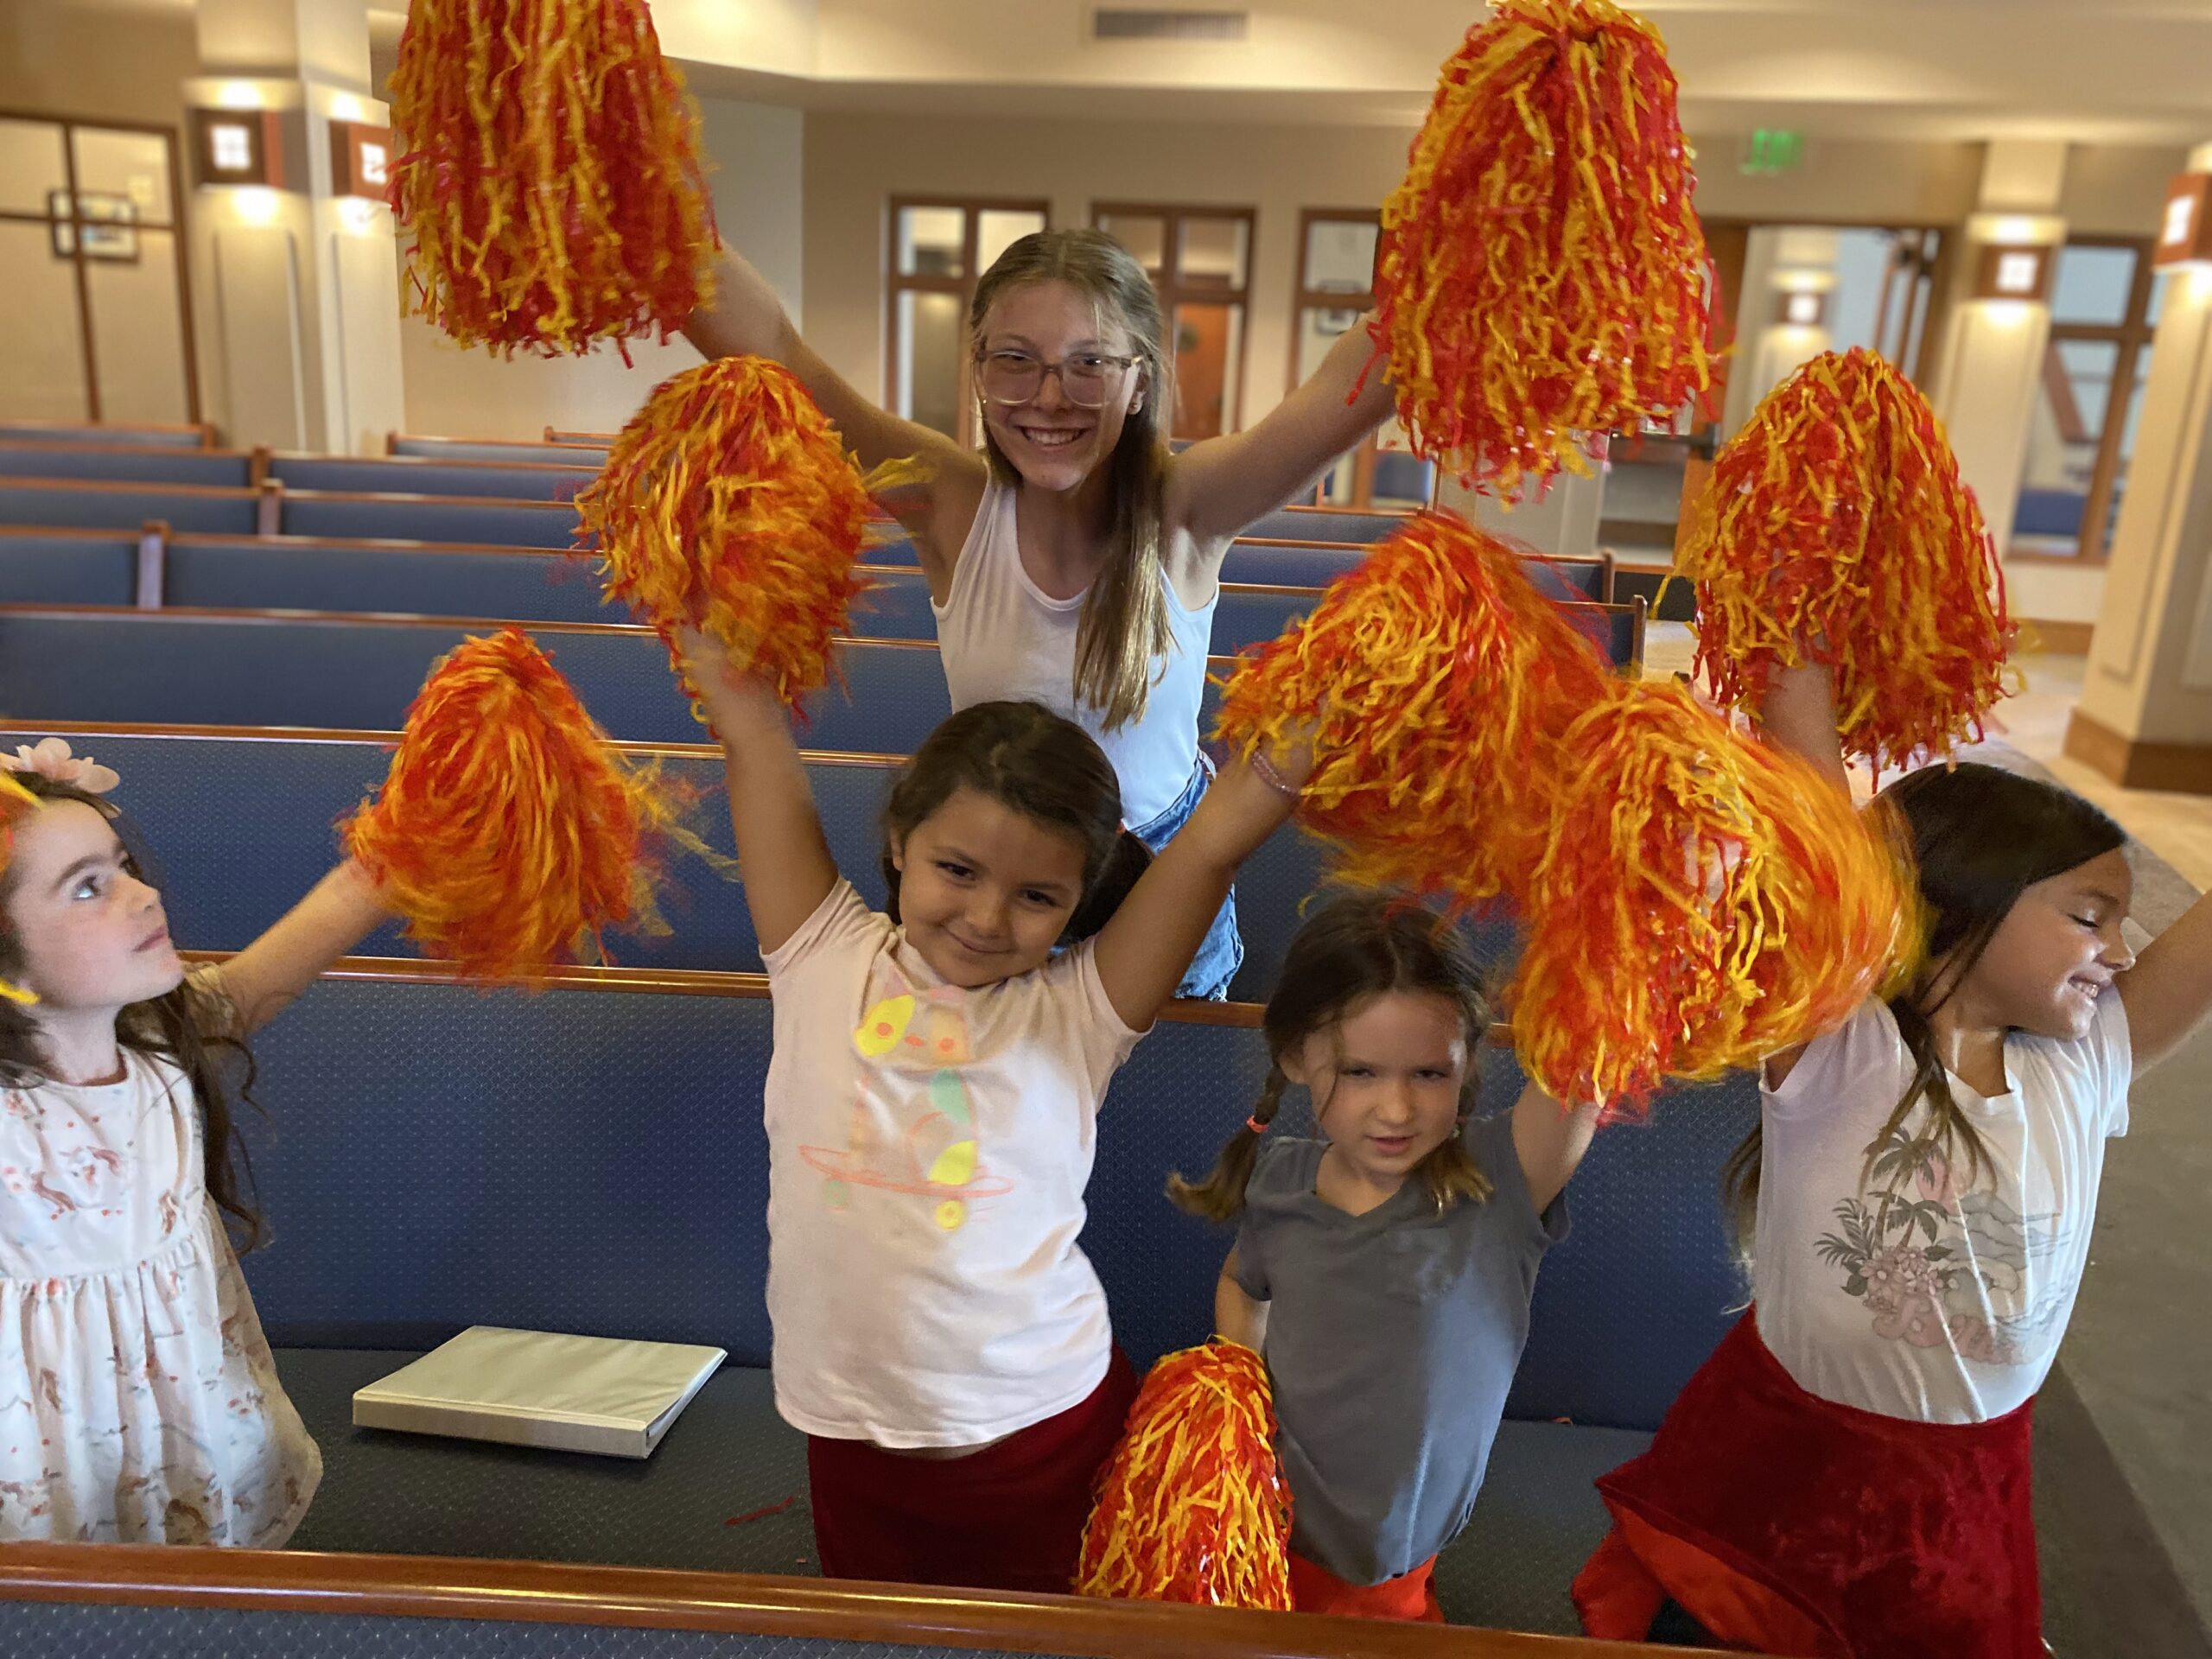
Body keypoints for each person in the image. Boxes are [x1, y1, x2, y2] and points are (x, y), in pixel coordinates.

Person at [1573, 661, 2212, 1657]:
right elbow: (1816, 803)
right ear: (1953, 905)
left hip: (1960, 1503)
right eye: (2089, 917)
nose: (2122, 952)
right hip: (1781, 1483)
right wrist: (1794, 634)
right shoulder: (1843, 1043)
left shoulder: (2086, 1061)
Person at [671, 626, 1311, 1593]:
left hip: (1045, 1442)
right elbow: (753, 735)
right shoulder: (820, 953)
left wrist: (1304, 737)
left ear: (1077, 903)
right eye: (958, 870)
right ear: (901, 843)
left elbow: (1214, 846)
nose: (984, 917)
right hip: (851, 1440)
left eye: (1035, 896)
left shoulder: (1080, 1008)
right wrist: (697, 609)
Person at [685, 228, 1395, 997]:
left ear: (1139, 382)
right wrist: (662, 226)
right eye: (1015, 360)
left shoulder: (1183, 510)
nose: (1050, 397)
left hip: (1163, 878)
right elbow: (784, 356)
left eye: (1089, 364)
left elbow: (1354, 385)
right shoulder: (953, 503)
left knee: (1164, 1077)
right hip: (993, 885)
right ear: (979, 374)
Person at [0, 741, 395, 1545]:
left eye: (122, 867)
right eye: (87, 887)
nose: (145, 894)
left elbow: (247, 991)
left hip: (198, 1445)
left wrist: (383, 870)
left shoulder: (156, 1048)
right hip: (48, 1491)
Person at [1171, 893, 1599, 1620]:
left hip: (1392, 1565)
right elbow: (1243, 1281)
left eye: (1429, 1074)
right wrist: (1237, 1383)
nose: (1396, 1110)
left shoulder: (1501, 1181)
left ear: (1467, 1063)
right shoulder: (1281, 1179)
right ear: (1296, 1058)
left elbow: (1594, 1049)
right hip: (1264, 1537)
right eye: (1360, 1072)